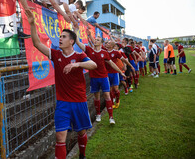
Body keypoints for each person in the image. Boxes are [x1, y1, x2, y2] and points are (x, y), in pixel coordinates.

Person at [27, 10, 97, 159]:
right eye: (60, 36)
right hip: (63, 103)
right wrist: (32, 24)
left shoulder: (79, 56)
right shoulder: (56, 54)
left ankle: (82, 155)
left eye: (64, 37)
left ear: (71, 41)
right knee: (60, 137)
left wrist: (77, 65)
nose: (60, 39)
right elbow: (37, 43)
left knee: (81, 132)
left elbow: (93, 65)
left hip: (79, 101)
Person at [76, 30, 125, 124]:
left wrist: (120, 72)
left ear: (101, 43)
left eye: (98, 40)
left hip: (104, 77)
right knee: (97, 97)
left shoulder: (104, 53)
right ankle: (98, 114)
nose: (96, 41)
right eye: (95, 39)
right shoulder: (89, 50)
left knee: (107, 95)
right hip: (94, 78)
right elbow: (78, 42)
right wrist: (75, 30)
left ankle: (111, 117)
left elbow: (111, 63)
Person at [104, 41, 134, 108]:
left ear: (112, 45)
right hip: (107, 73)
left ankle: (117, 100)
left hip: (115, 72)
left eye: (108, 43)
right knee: (110, 89)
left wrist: (130, 66)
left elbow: (125, 60)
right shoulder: (104, 51)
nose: (106, 44)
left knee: (116, 88)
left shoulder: (116, 52)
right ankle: (112, 102)